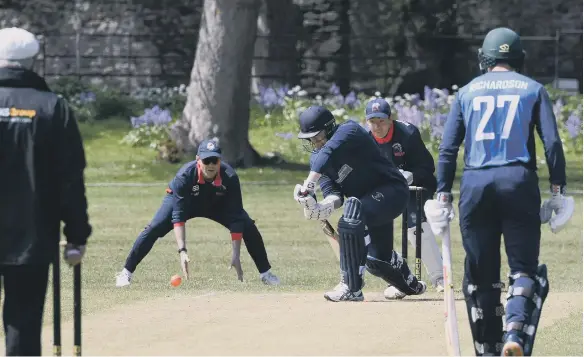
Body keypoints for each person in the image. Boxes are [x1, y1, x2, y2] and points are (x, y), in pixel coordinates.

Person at [423, 27, 574, 356]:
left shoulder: (467, 92)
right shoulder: (533, 89)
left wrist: (442, 194)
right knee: (523, 267)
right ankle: (514, 335)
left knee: (481, 274)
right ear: (518, 58)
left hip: (476, 184)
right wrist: (558, 190)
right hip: (518, 180)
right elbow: (552, 145)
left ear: (485, 59)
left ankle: (488, 346)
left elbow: (448, 149)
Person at [0, 27, 91, 356]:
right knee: (23, 324)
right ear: (33, 62)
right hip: (33, 237)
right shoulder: (53, 108)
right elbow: (70, 179)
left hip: (31, 237)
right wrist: (77, 235)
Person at [293, 105, 427, 302]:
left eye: (318, 136)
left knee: (350, 215)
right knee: (377, 261)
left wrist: (308, 185)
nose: (315, 142)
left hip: (392, 190)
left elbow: (328, 151)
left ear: (329, 128)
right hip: (369, 204)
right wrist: (321, 208)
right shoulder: (317, 158)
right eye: (311, 139)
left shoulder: (348, 130)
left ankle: (351, 287)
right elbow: (334, 193)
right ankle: (412, 286)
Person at [115, 139, 280, 287]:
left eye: (214, 160)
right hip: (185, 202)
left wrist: (236, 254)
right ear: (197, 160)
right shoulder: (184, 176)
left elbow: (236, 216)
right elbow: (178, 216)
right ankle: (126, 273)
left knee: (248, 226)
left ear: (219, 161)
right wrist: (182, 251)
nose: (210, 165)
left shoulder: (229, 176)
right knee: (154, 227)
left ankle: (266, 274)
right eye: (206, 160)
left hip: (216, 204)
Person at [365, 97, 444, 299]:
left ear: (390, 118)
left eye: (381, 120)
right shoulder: (366, 141)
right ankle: (401, 281)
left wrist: (409, 175)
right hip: (389, 188)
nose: (377, 126)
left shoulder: (408, 133)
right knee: (375, 225)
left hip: (417, 185)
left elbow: (427, 168)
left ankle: (440, 278)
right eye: (372, 121)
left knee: (414, 224)